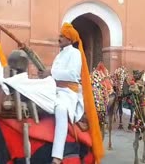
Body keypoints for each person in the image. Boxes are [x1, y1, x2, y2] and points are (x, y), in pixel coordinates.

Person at [38, 23, 104, 164]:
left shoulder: (75, 54)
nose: (59, 38)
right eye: (60, 36)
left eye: (62, 36)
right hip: (54, 90)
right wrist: (45, 75)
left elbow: (73, 74)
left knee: (61, 110)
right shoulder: (59, 55)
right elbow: (54, 75)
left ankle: (57, 155)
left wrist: (51, 72)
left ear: (69, 39)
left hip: (68, 93)